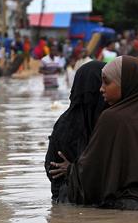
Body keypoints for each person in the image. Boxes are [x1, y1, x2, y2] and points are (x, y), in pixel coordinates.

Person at [50, 56, 138, 210]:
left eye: (106, 82)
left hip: (131, 206)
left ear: (126, 84)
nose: (101, 89)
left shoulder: (112, 117)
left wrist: (71, 171)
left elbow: (93, 173)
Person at [45, 61, 107, 202]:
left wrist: (73, 170)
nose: (104, 89)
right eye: (103, 83)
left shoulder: (64, 122)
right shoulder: (106, 119)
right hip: (75, 199)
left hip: (67, 200)